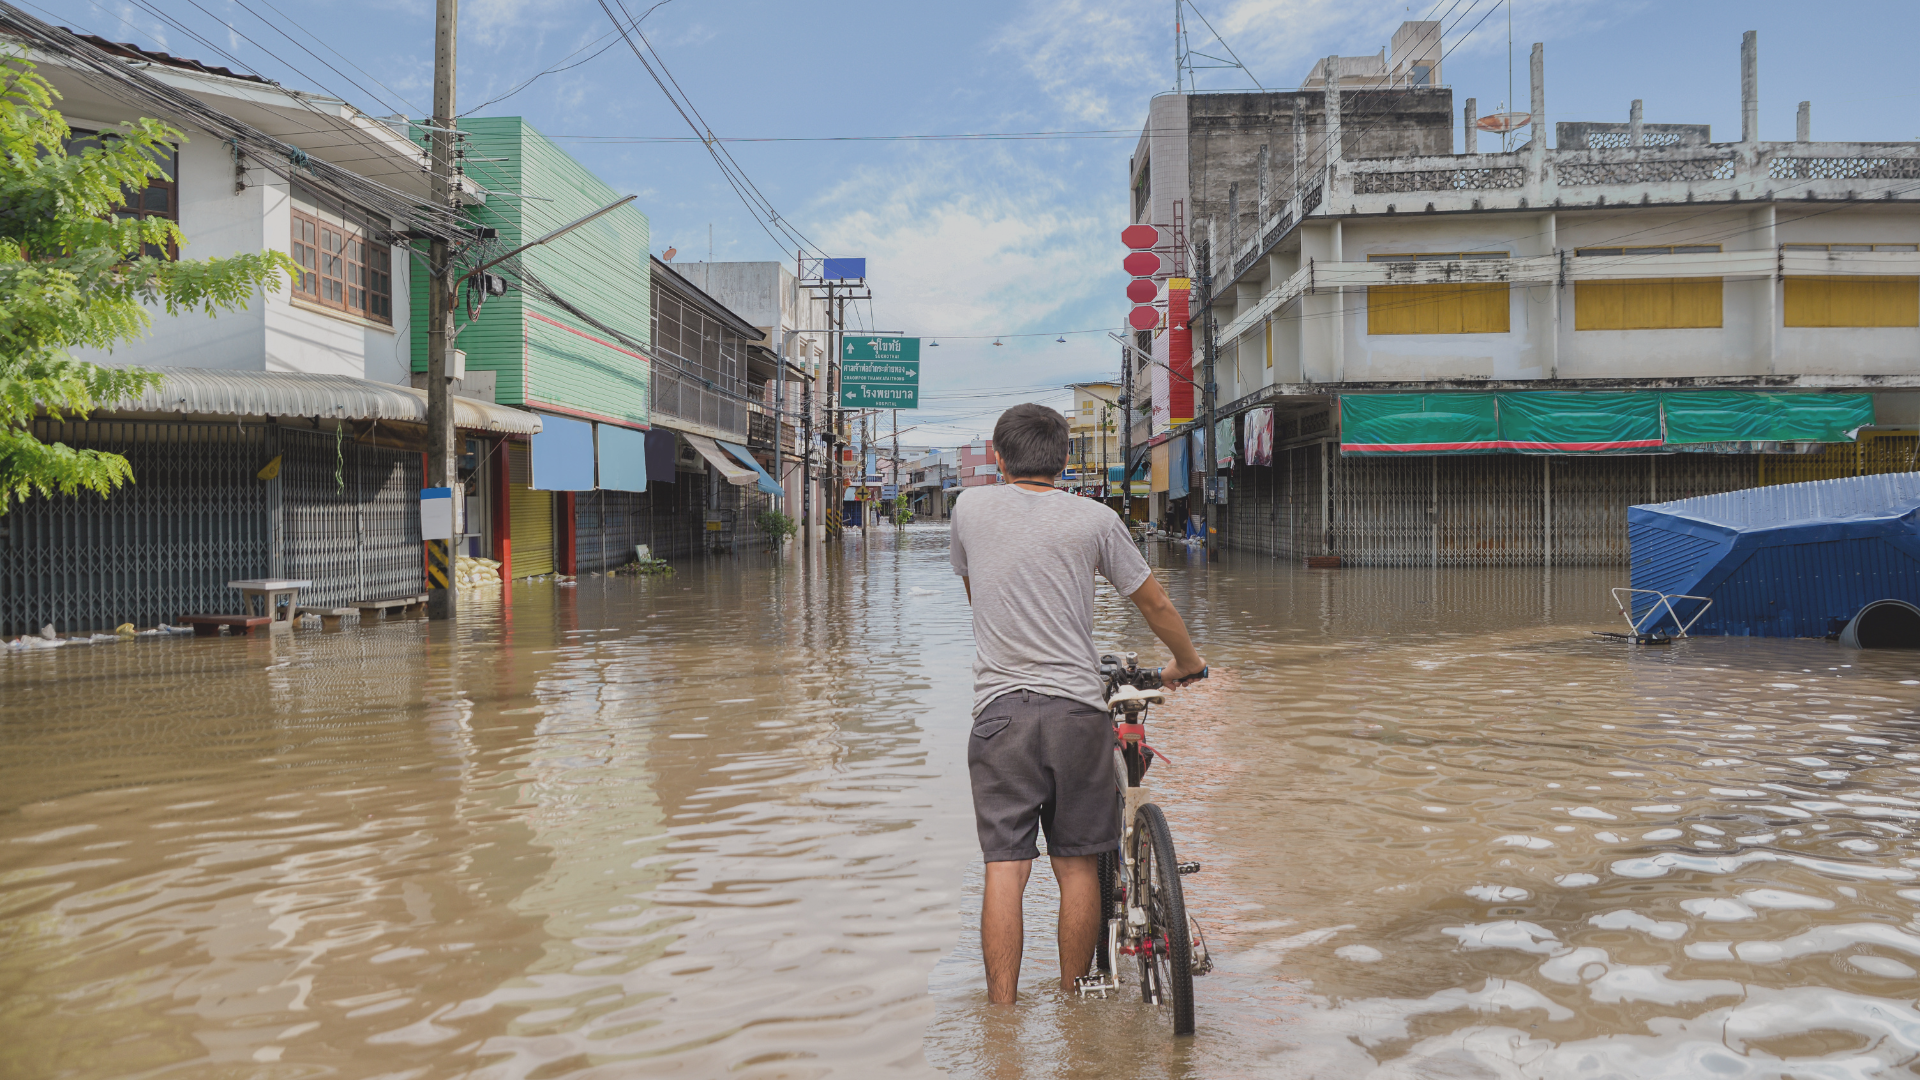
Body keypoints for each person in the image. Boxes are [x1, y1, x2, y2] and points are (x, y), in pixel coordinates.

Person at [949, 403, 1206, 1004]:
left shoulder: (968, 508)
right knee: (1078, 866)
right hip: (1075, 714)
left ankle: (1002, 1020)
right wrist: (1187, 664)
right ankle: (1074, 1002)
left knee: (1005, 869)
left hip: (999, 716)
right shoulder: (1094, 518)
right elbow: (1156, 605)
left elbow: (974, 591)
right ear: (1066, 459)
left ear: (996, 453)